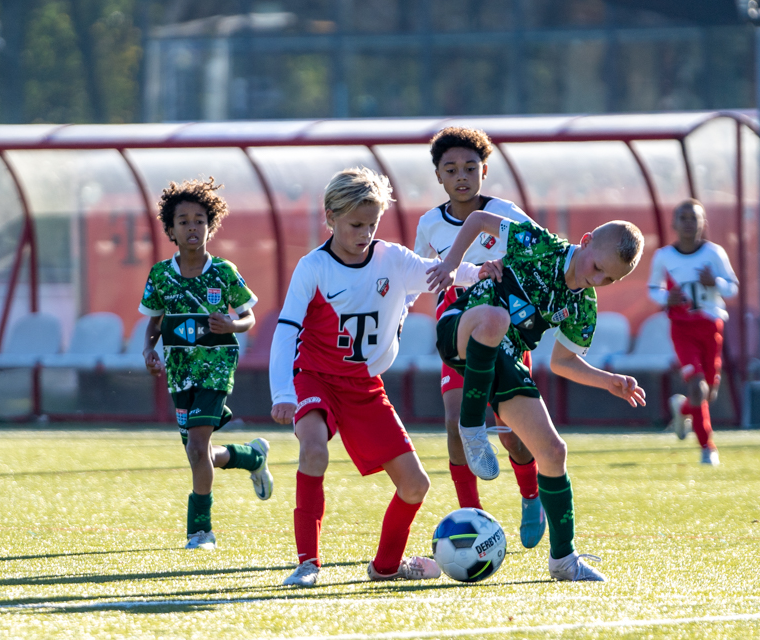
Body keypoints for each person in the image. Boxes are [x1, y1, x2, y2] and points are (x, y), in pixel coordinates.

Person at [270, 167, 492, 587]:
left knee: (415, 486)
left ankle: (386, 567)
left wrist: (478, 271)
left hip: (365, 388)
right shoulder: (313, 267)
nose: (365, 233)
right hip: (314, 377)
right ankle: (307, 564)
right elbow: (286, 330)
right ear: (330, 217)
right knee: (314, 451)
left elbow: (437, 270)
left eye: (372, 224)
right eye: (356, 224)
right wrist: (282, 391)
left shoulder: (392, 259)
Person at [427, 211, 646, 582]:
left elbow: (563, 363)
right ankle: (472, 427)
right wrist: (451, 265)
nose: (597, 280)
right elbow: (478, 219)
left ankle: (564, 560)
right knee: (495, 319)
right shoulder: (540, 243)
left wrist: (608, 380)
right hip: (461, 328)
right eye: (597, 268)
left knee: (554, 451)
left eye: (609, 279)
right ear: (586, 240)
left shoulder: (584, 306)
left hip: (503, 360)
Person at [413, 126, 545, 550]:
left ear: (484, 171)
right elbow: (416, 275)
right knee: (455, 422)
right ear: (438, 175)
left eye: (470, 168)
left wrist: (508, 267)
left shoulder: (505, 212)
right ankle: (473, 519)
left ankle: (531, 495)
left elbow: (541, 252)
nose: (462, 176)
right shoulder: (429, 223)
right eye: (451, 169)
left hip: (503, 327)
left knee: (512, 431)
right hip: (455, 327)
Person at [140, 177, 273, 552]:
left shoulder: (224, 272)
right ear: (170, 229)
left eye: (199, 220)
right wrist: (149, 351)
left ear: (210, 226)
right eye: (183, 221)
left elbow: (248, 317)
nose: (192, 227)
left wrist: (232, 324)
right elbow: (154, 324)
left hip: (216, 368)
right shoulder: (160, 275)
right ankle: (251, 457)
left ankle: (201, 532)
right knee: (199, 453)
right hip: (179, 372)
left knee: (198, 448)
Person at [647, 199, 739, 466]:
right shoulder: (664, 256)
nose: (688, 223)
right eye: (683, 218)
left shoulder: (714, 253)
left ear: (702, 223)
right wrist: (666, 298)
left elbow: (732, 287)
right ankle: (707, 448)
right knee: (697, 386)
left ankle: (682, 408)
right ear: (674, 224)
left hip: (711, 327)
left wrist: (715, 283)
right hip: (682, 328)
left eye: (693, 218)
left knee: (708, 393)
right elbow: (653, 289)